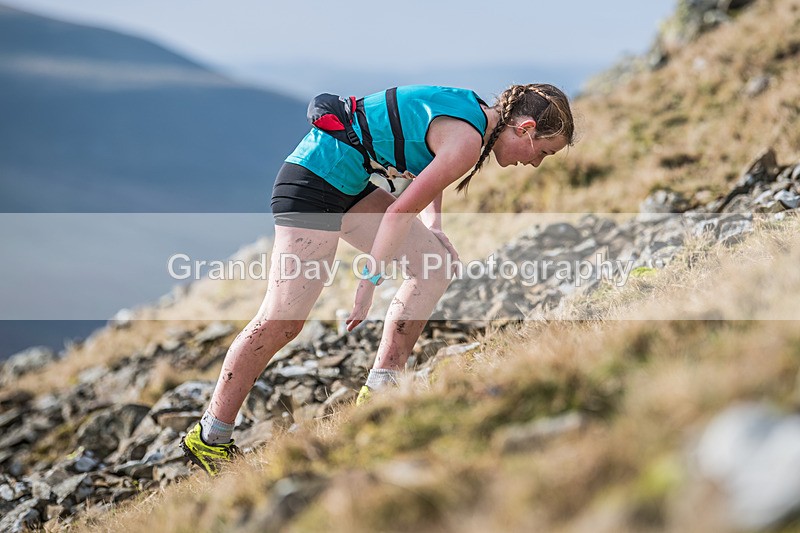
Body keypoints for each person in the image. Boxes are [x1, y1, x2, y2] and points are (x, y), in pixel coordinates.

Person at [180, 83, 575, 475]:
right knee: (283, 321)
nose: (536, 163)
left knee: (433, 264)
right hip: (311, 184)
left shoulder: (474, 116)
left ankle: (380, 391)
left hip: (347, 185)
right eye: (542, 152)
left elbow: (430, 175)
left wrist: (434, 228)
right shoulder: (469, 139)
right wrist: (369, 283)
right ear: (524, 128)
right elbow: (399, 212)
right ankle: (211, 437)